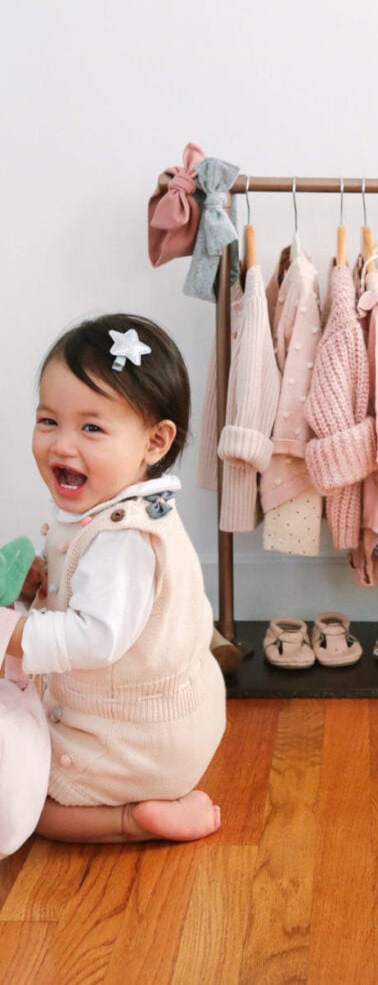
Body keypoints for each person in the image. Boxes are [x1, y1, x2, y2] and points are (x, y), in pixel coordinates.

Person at [0, 313, 226, 843]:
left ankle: (132, 819)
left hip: (130, 750)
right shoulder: (121, 512)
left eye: (92, 428)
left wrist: (10, 632)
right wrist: (44, 585)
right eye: (49, 421)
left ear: (154, 442)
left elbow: (98, 637)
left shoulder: (124, 539)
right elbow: (99, 600)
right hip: (162, 729)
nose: (61, 445)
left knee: (20, 801)